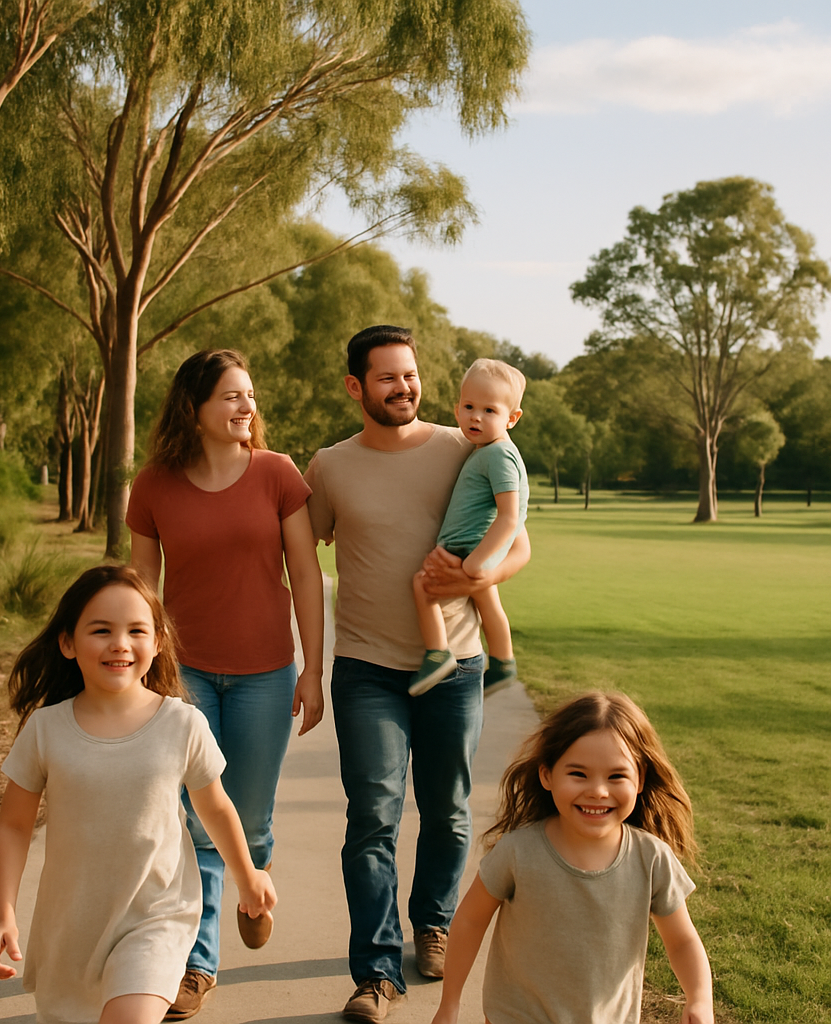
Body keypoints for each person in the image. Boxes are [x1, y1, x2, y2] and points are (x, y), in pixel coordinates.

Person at [304, 325, 531, 1024]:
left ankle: (432, 923)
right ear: (355, 387)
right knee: (372, 815)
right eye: (386, 378)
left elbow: (518, 542)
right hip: (366, 669)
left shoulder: (461, 444)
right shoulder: (330, 466)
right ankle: (375, 972)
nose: (404, 388)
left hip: (455, 665)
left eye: (410, 375)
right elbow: (294, 547)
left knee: (449, 809)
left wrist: (474, 576)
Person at [0, 565, 277, 1024]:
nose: (120, 643)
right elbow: (14, 826)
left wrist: (247, 875)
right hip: (72, 927)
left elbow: (214, 806)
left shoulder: (182, 725)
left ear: (157, 642)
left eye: (136, 630)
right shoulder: (46, 730)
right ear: (67, 643)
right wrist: (3, 913)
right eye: (101, 630)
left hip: (157, 915)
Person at [126, 348, 324, 1020]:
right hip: (184, 679)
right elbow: (137, 594)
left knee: (252, 819)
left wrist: (313, 670)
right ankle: (199, 964)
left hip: (266, 674)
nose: (248, 407)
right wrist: (135, 674)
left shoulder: (277, 475)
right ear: (196, 408)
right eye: (232, 396)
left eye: (250, 396)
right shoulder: (153, 485)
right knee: (198, 819)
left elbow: (307, 577)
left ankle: (254, 881)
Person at [430, 691, 714, 1024]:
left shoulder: (651, 859)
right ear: (547, 774)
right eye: (578, 774)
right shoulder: (518, 852)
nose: (598, 791)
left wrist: (699, 999)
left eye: (616, 776)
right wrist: (450, 1004)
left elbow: (681, 941)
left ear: (641, 779)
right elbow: (469, 921)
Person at [409, 358, 529, 696]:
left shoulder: (499, 455)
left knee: (422, 585)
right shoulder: (486, 450)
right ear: (457, 408)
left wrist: (477, 562)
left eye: (490, 410)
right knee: (488, 601)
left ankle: (438, 653)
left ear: (512, 418)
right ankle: (504, 662)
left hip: (468, 546)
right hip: (471, 546)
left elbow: (509, 515)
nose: (476, 416)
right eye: (469, 406)